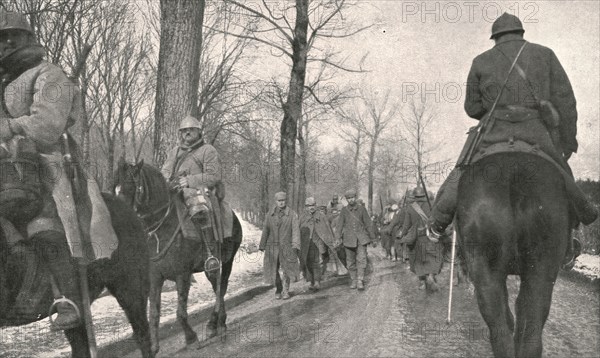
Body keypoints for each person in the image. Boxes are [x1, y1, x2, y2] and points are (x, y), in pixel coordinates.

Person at [427, 13, 597, 269]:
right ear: (521, 33)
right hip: (537, 133)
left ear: (495, 37)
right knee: (563, 177)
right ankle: (575, 231)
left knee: (461, 172)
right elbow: (566, 102)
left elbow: (472, 109)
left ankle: (438, 222)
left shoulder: (480, 61)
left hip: (493, 132)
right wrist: (566, 144)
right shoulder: (545, 55)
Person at [0, 11, 115, 329]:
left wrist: (8, 127)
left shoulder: (49, 74)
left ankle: (67, 299)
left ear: (28, 39)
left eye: (15, 35)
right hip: (3, 167)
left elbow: (48, 126)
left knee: (43, 219)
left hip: (44, 165)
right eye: (2, 36)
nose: (7, 41)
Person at [161, 115, 222, 245]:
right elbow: (165, 171)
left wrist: (190, 181)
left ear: (199, 131)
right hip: (175, 190)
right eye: (184, 130)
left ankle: (209, 253)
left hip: (200, 190)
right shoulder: (175, 152)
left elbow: (213, 176)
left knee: (199, 208)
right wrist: (165, 181)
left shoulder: (208, 150)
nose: (187, 132)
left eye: (191, 129)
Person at [400, 186, 443, 291]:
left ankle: (423, 282)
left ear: (414, 196)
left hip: (418, 239)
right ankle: (431, 276)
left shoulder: (411, 207)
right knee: (432, 258)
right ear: (424, 195)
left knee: (419, 261)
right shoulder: (432, 205)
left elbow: (406, 225)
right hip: (431, 236)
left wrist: (403, 235)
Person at [259, 192, 300, 300]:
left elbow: (296, 230)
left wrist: (295, 244)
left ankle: (286, 291)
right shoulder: (270, 214)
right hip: (272, 247)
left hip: (287, 245)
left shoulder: (292, 214)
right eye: (279, 201)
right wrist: (262, 244)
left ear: (286, 201)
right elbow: (265, 230)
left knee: (286, 269)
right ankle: (278, 287)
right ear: (275, 202)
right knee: (273, 268)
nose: (281, 203)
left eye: (283, 200)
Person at [335, 189, 376, 290]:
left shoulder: (362, 209)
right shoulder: (344, 211)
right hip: (348, 240)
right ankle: (353, 279)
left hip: (361, 239)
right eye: (349, 198)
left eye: (352, 197)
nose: (351, 200)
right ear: (346, 199)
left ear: (355, 197)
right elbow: (339, 226)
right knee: (350, 261)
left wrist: (373, 238)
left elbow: (368, 224)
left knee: (361, 259)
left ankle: (360, 280)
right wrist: (337, 238)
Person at [299, 197, 336, 292]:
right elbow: (298, 230)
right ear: (306, 207)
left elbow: (328, 228)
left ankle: (317, 281)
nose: (311, 207)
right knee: (308, 263)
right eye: (309, 206)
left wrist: (331, 240)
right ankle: (311, 281)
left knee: (318, 262)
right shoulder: (302, 217)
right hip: (307, 244)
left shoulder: (321, 216)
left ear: (316, 205)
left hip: (319, 242)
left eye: (313, 205)